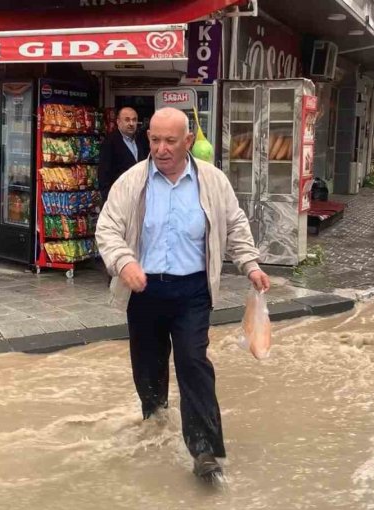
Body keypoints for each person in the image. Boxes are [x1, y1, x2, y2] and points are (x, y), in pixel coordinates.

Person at [96, 107, 270, 481]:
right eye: (155, 140)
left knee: (193, 362)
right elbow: (107, 229)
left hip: (193, 290)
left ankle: (204, 450)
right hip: (143, 290)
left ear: (188, 141)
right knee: (148, 367)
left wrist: (250, 265)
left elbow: (235, 225)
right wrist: (124, 262)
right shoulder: (131, 182)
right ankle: (155, 424)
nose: (161, 149)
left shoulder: (212, 181)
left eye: (170, 141)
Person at [98, 107, 150, 201]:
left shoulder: (140, 141)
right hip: (119, 198)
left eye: (134, 120)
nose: (131, 123)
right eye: (127, 120)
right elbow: (104, 173)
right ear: (118, 121)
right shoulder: (110, 142)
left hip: (139, 197)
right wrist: (109, 199)